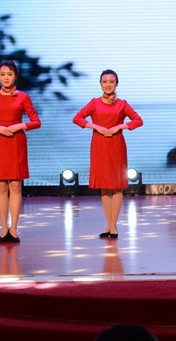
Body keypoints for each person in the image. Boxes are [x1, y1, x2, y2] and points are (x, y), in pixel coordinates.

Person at [72, 69, 144, 239]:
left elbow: (138, 121)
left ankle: (113, 226)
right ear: (100, 84)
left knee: (117, 186)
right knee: (104, 187)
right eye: (104, 81)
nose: (108, 85)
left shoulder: (122, 104)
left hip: (116, 145)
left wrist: (120, 126)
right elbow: (77, 118)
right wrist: (96, 127)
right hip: (99, 145)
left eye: (111, 81)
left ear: (116, 84)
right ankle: (110, 225)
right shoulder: (94, 103)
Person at [0, 60, 41, 244]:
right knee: (2, 185)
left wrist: (20, 126)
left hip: (17, 142)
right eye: (3, 74)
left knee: (16, 186)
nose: (6, 78)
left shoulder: (23, 97)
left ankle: (14, 228)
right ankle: (4, 228)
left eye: (10, 74)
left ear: (15, 76)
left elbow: (36, 122)